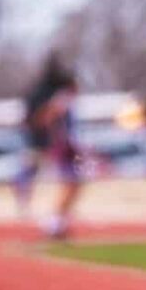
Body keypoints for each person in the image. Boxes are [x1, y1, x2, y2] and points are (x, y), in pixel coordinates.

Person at [12, 55, 85, 239]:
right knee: (72, 182)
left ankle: (57, 221)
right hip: (62, 145)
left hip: (60, 144)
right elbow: (49, 116)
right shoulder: (63, 98)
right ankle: (54, 223)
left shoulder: (61, 98)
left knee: (73, 183)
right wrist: (59, 140)